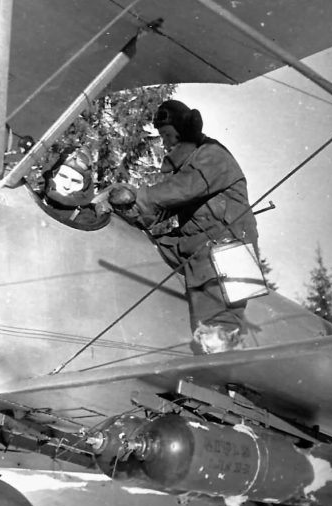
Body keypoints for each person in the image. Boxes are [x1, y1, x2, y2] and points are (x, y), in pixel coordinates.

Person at [108, 99, 259, 354]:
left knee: (217, 329)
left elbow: (178, 191)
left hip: (229, 251)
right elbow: (164, 207)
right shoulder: (188, 166)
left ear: (185, 131)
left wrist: (139, 197)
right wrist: (128, 210)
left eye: (167, 135)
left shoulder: (212, 155)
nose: (164, 143)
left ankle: (222, 380)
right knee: (146, 248)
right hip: (196, 245)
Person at [36, 146, 109, 230]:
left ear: (84, 187)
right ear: (52, 176)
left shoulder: (85, 221)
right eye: (63, 176)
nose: (67, 186)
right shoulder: (33, 197)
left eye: (75, 181)